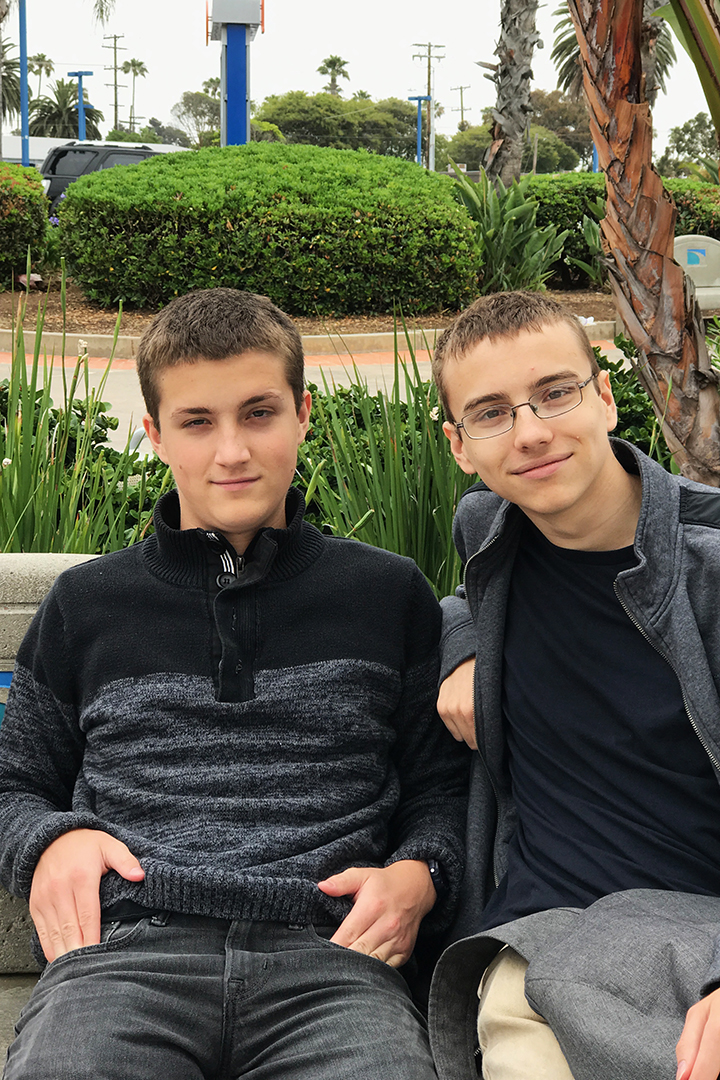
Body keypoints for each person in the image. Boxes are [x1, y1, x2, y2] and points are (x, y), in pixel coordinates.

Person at [0, 287, 468, 1080]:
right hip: (126, 957)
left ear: (303, 414)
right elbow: (15, 780)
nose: (232, 452)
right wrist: (49, 840)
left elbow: (444, 787)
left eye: (259, 413)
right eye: (197, 422)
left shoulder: (389, 595)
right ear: (154, 433)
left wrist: (422, 871)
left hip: (333, 964)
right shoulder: (87, 604)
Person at [425, 290, 720, 1080]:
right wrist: (461, 645)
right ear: (461, 447)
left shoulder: (709, 572)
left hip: (705, 942)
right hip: (543, 940)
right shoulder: (490, 533)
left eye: (556, 392)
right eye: (491, 413)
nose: (531, 433)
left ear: (607, 399)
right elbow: (459, 594)